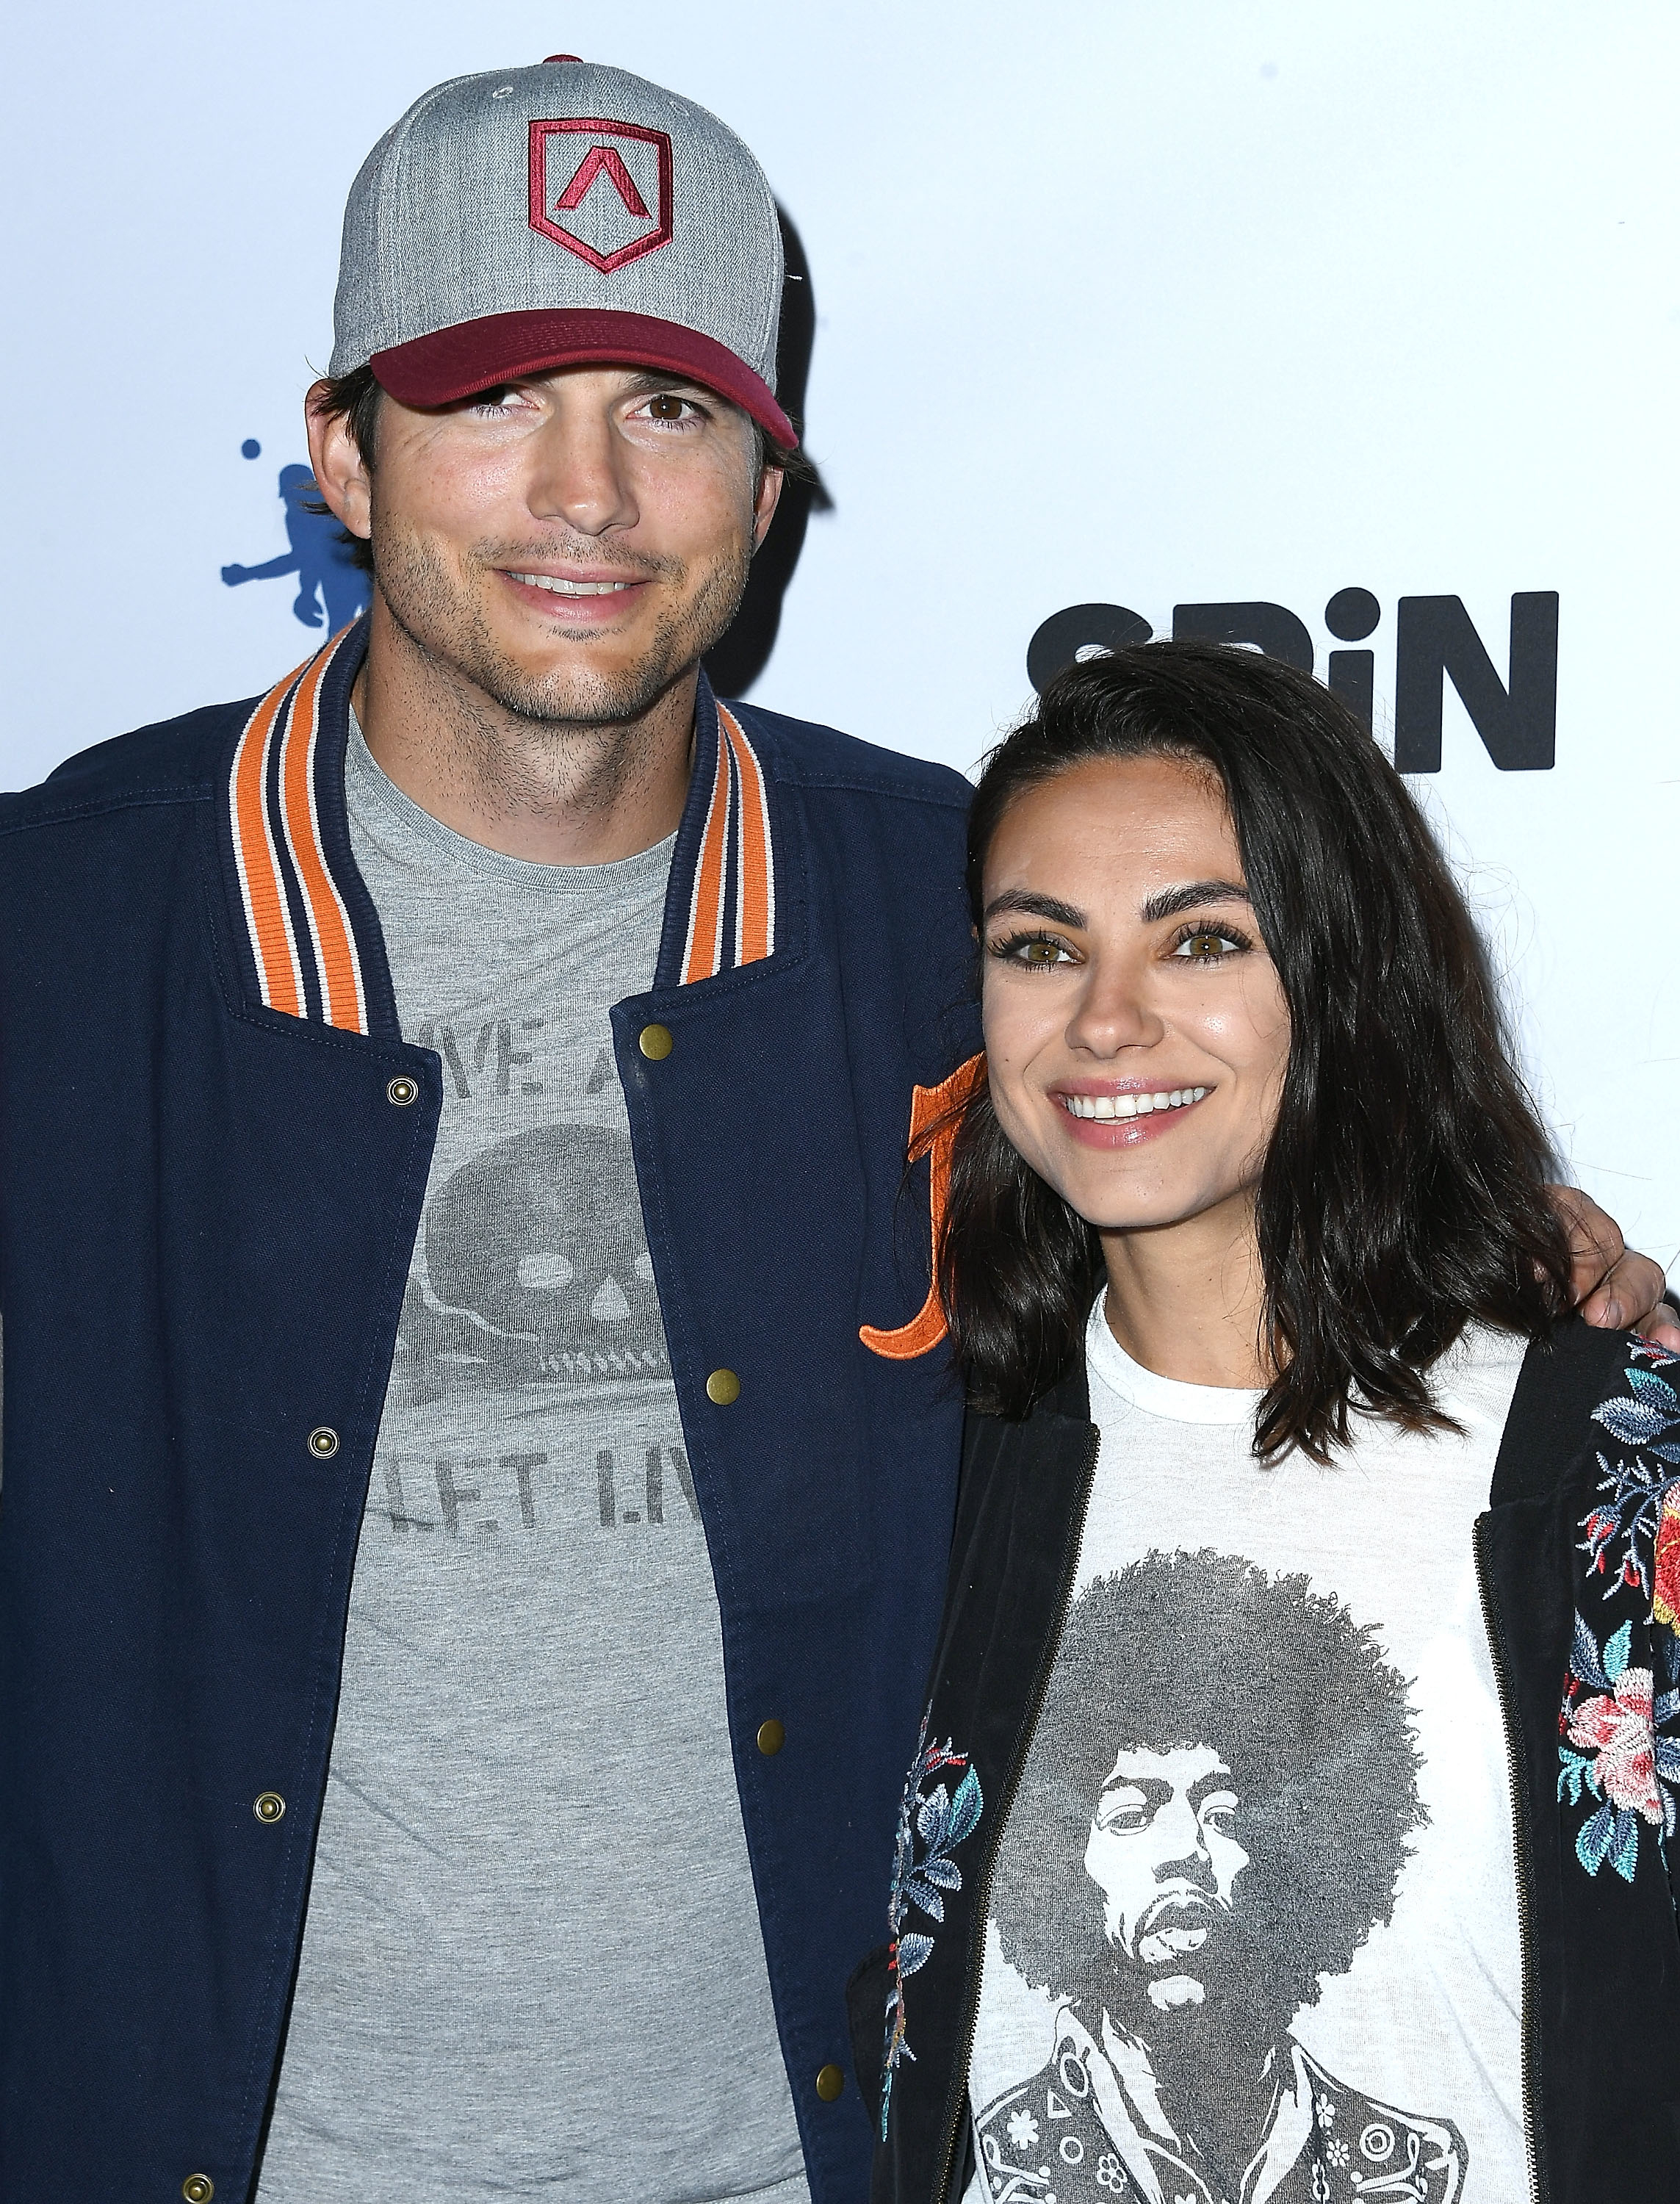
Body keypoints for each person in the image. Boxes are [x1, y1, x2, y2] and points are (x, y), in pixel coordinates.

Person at [0, 58, 1665, 2204]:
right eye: (503, 398)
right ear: (341, 450)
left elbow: (1243, 1147)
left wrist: (1510, 1246)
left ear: (767, 487)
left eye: (674, 412)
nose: (589, 496)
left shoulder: (940, 913)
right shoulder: (65, 933)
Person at [854, 643, 1680, 2204]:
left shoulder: (1607, 1462)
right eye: (1041, 947)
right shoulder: (937, 1464)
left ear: (1343, 974)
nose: (1104, 1022)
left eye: (1200, 943)